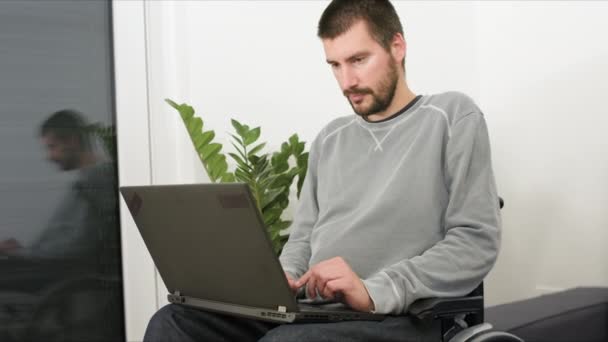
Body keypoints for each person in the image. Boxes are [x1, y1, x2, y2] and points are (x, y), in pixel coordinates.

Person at [143, 0, 501, 341]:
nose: (347, 82)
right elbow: (303, 238)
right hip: (314, 310)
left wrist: (374, 290)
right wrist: (284, 277)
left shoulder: (452, 116)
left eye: (358, 60)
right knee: (174, 324)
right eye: (335, 65)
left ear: (397, 47)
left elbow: (474, 241)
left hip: (403, 316)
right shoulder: (331, 138)